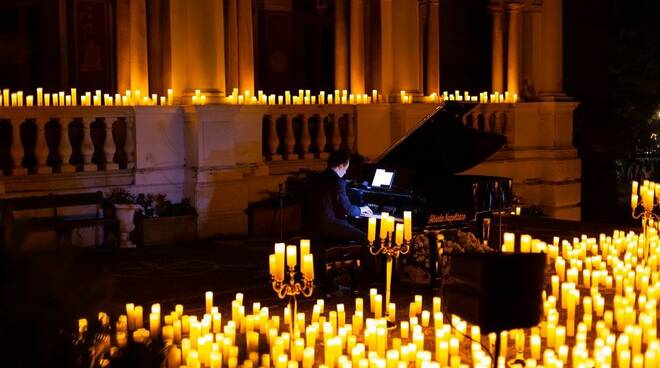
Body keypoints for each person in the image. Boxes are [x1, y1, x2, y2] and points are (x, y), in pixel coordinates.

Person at [307, 150, 373, 242]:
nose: (345, 172)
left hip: (312, 225)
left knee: (352, 227)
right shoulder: (338, 182)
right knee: (368, 239)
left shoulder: (318, 177)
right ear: (340, 166)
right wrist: (362, 209)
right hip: (329, 226)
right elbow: (348, 210)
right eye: (346, 169)